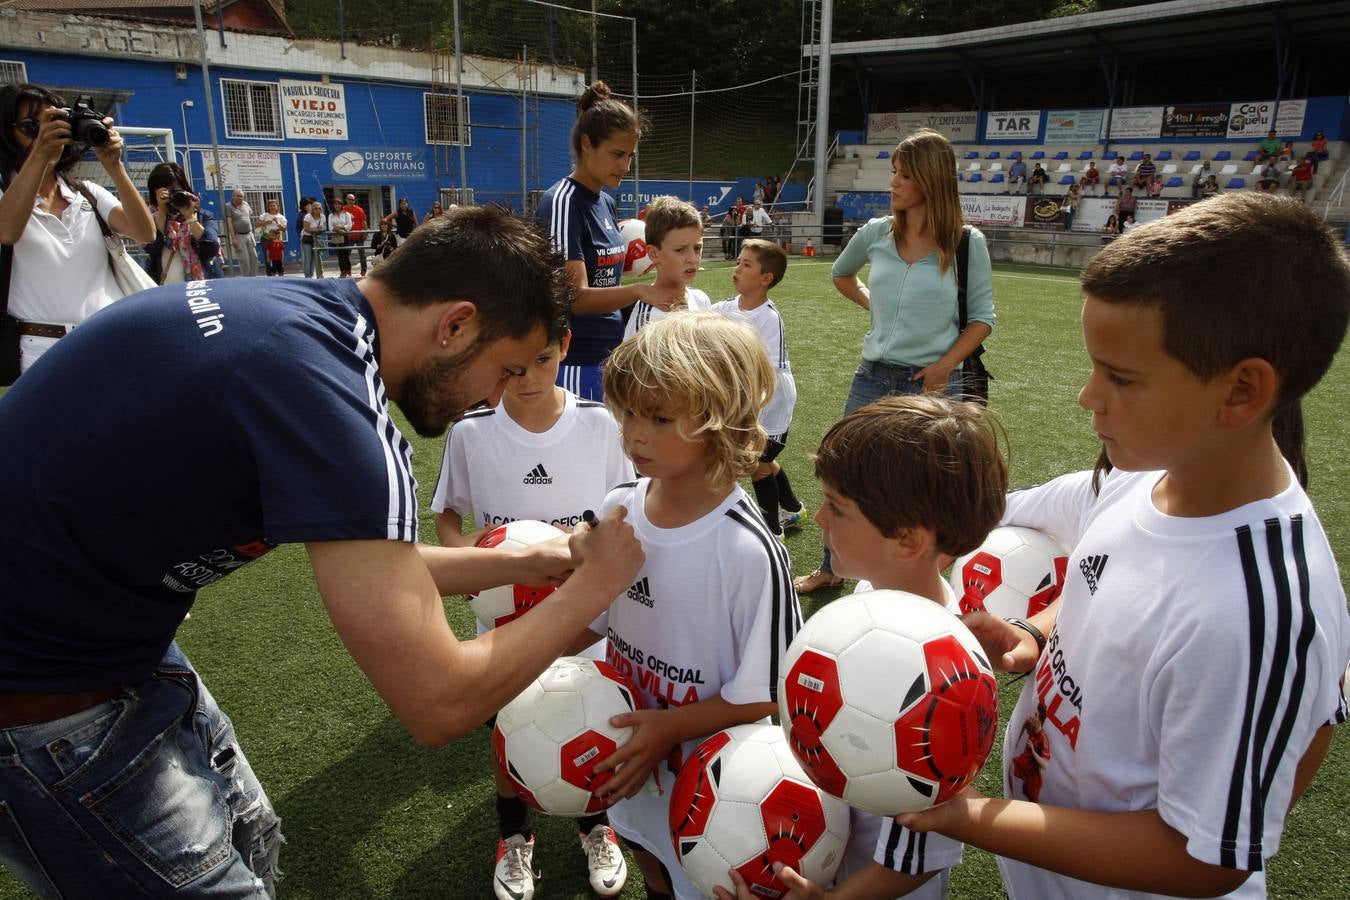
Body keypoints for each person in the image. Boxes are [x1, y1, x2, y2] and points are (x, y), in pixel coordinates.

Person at [0, 206, 645, 898]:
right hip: (44, 697)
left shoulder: (306, 319)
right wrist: (591, 588)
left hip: (112, 642)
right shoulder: (331, 404)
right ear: (455, 324)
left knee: (253, 840)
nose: (496, 394)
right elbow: (438, 702)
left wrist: (524, 562)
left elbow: (374, 568)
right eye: (504, 368)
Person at [895, 193, 1350, 900]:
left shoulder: (1252, 615)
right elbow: (1112, 598)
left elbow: (1204, 857)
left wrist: (971, 816)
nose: (1087, 397)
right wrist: (1033, 635)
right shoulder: (1140, 482)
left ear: (1242, 392)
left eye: (1122, 379)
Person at [714, 394, 1008, 900]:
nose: (821, 519)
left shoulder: (937, 676)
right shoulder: (878, 597)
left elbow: (919, 853)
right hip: (839, 850)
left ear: (908, 541)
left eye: (839, 509)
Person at [569, 311, 801, 900]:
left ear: (722, 423)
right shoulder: (618, 507)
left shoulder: (748, 549)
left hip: (717, 793)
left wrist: (669, 728)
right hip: (632, 761)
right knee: (648, 859)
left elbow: (765, 693)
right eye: (628, 414)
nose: (635, 434)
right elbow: (591, 622)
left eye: (660, 417)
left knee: (699, 880)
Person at [430, 327, 634, 900]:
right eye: (511, 367)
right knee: (510, 736)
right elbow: (448, 517)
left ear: (565, 346)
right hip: (504, 625)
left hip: (587, 621)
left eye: (541, 361)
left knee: (591, 725)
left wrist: (581, 539)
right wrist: (475, 550)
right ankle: (514, 837)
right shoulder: (471, 432)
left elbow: (628, 508)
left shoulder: (600, 424)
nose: (527, 379)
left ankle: (597, 828)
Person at [794, 127, 994, 596]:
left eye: (903, 174)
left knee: (922, 486)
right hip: (872, 375)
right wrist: (877, 310)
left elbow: (982, 319)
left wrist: (945, 367)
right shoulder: (876, 233)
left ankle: (918, 581)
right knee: (843, 471)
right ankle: (832, 567)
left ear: (930, 179)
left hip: (931, 384)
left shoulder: (966, 243)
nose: (894, 183)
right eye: (893, 173)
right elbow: (841, 275)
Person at [0, 82, 155, 376]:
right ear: (6, 134)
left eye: (57, 123)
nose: (48, 135)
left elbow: (144, 234)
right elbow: (6, 232)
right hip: (40, 352)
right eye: (32, 126)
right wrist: (39, 157)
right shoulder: (6, 197)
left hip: (107, 340)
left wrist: (114, 167)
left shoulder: (88, 194)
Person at [536, 80, 676, 401]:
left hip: (610, 357)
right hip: (575, 363)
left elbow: (606, 286)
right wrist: (641, 292)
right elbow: (576, 298)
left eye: (630, 156)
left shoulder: (606, 203)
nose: (625, 166)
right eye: (617, 154)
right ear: (587, 144)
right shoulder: (562, 202)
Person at [711, 239, 804, 539]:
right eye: (738, 262)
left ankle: (772, 532)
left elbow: (768, 375)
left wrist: (743, 410)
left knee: (757, 466)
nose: (737, 269)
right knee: (764, 463)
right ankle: (793, 508)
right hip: (744, 404)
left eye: (746, 265)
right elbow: (693, 316)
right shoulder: (724, 308)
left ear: (766, 279)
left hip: (770, 405)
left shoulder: (768, 317)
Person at [622, 195, 711, 338]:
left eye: (697, 248)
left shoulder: (701, 299)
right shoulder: (648, 317)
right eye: (680, 250)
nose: (693, 259)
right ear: (654, 254)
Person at [144, 161, 221, 284]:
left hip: (200, 290)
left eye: (175, 190)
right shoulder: (150, 218)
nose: (171, 195)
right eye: (166, 190)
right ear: (155, 192)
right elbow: (153, 248)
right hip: (164, 290)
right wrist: (162, 213)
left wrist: (190, 217)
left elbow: (211, 249)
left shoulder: (202, 216)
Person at [225, 189, 259, 277]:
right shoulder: (228, 206)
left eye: (241, 196)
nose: (240, 198)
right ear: (233, 196)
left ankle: (254, 277)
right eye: (238, 196)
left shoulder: (245, 204)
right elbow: (229, 223)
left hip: (249, 234)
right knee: (244, 259)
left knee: (254, 257)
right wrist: (233, 239)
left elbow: (250, 213)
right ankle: (246, 279)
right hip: (239, 236)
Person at [256, 197, 288, 276]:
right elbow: (257, 224)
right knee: (268, 257)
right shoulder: (264, 215)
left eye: (274, 205)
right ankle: (269, 274)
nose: (273, 207)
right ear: (268, 207)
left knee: (278, 257)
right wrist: (266, 222)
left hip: (277, 240)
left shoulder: (281, 217)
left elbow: (284, 229)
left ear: (277, 206)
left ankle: (280, 272)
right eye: (271, 205)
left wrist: (277, 223)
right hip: (266, 238)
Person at [342, 192, 369, 276]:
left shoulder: (359, 209)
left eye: (353, 200)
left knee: (362, 254)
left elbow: (364, 221)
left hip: (359, 235)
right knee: (347, 254)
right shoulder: (343, 209)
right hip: (348, 236)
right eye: (349, 199)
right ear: (346, 200)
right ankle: (348, 270)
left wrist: (365, 233)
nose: (351, 201)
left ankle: (363, 271)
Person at [327, 198, 353, 277]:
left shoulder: (346, 214)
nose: (337, 206)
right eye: (336, 204)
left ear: (341, 205)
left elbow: (349, 226)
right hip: (337, 237)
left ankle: (348, 270)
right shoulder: (331, 215)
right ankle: (342, 271)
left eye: (339, 204)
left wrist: (340, 227)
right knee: (340, 255)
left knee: (346, 254)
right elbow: (330, 227)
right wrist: (337, 230)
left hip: (345, 236)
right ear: (333, 205)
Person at [301, 198, 325, 278]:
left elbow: (324, 227)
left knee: (315, 258)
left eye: (319, 208)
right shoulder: (308, 216)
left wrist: (317, 230)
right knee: (308, 258)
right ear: (312, 209)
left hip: (317, 239)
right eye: (315, 208)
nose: (318, 209)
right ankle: (307, 276)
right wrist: (316, 229)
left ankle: (312, 274)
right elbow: (306, 228)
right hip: (307, 238)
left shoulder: (322, 217)